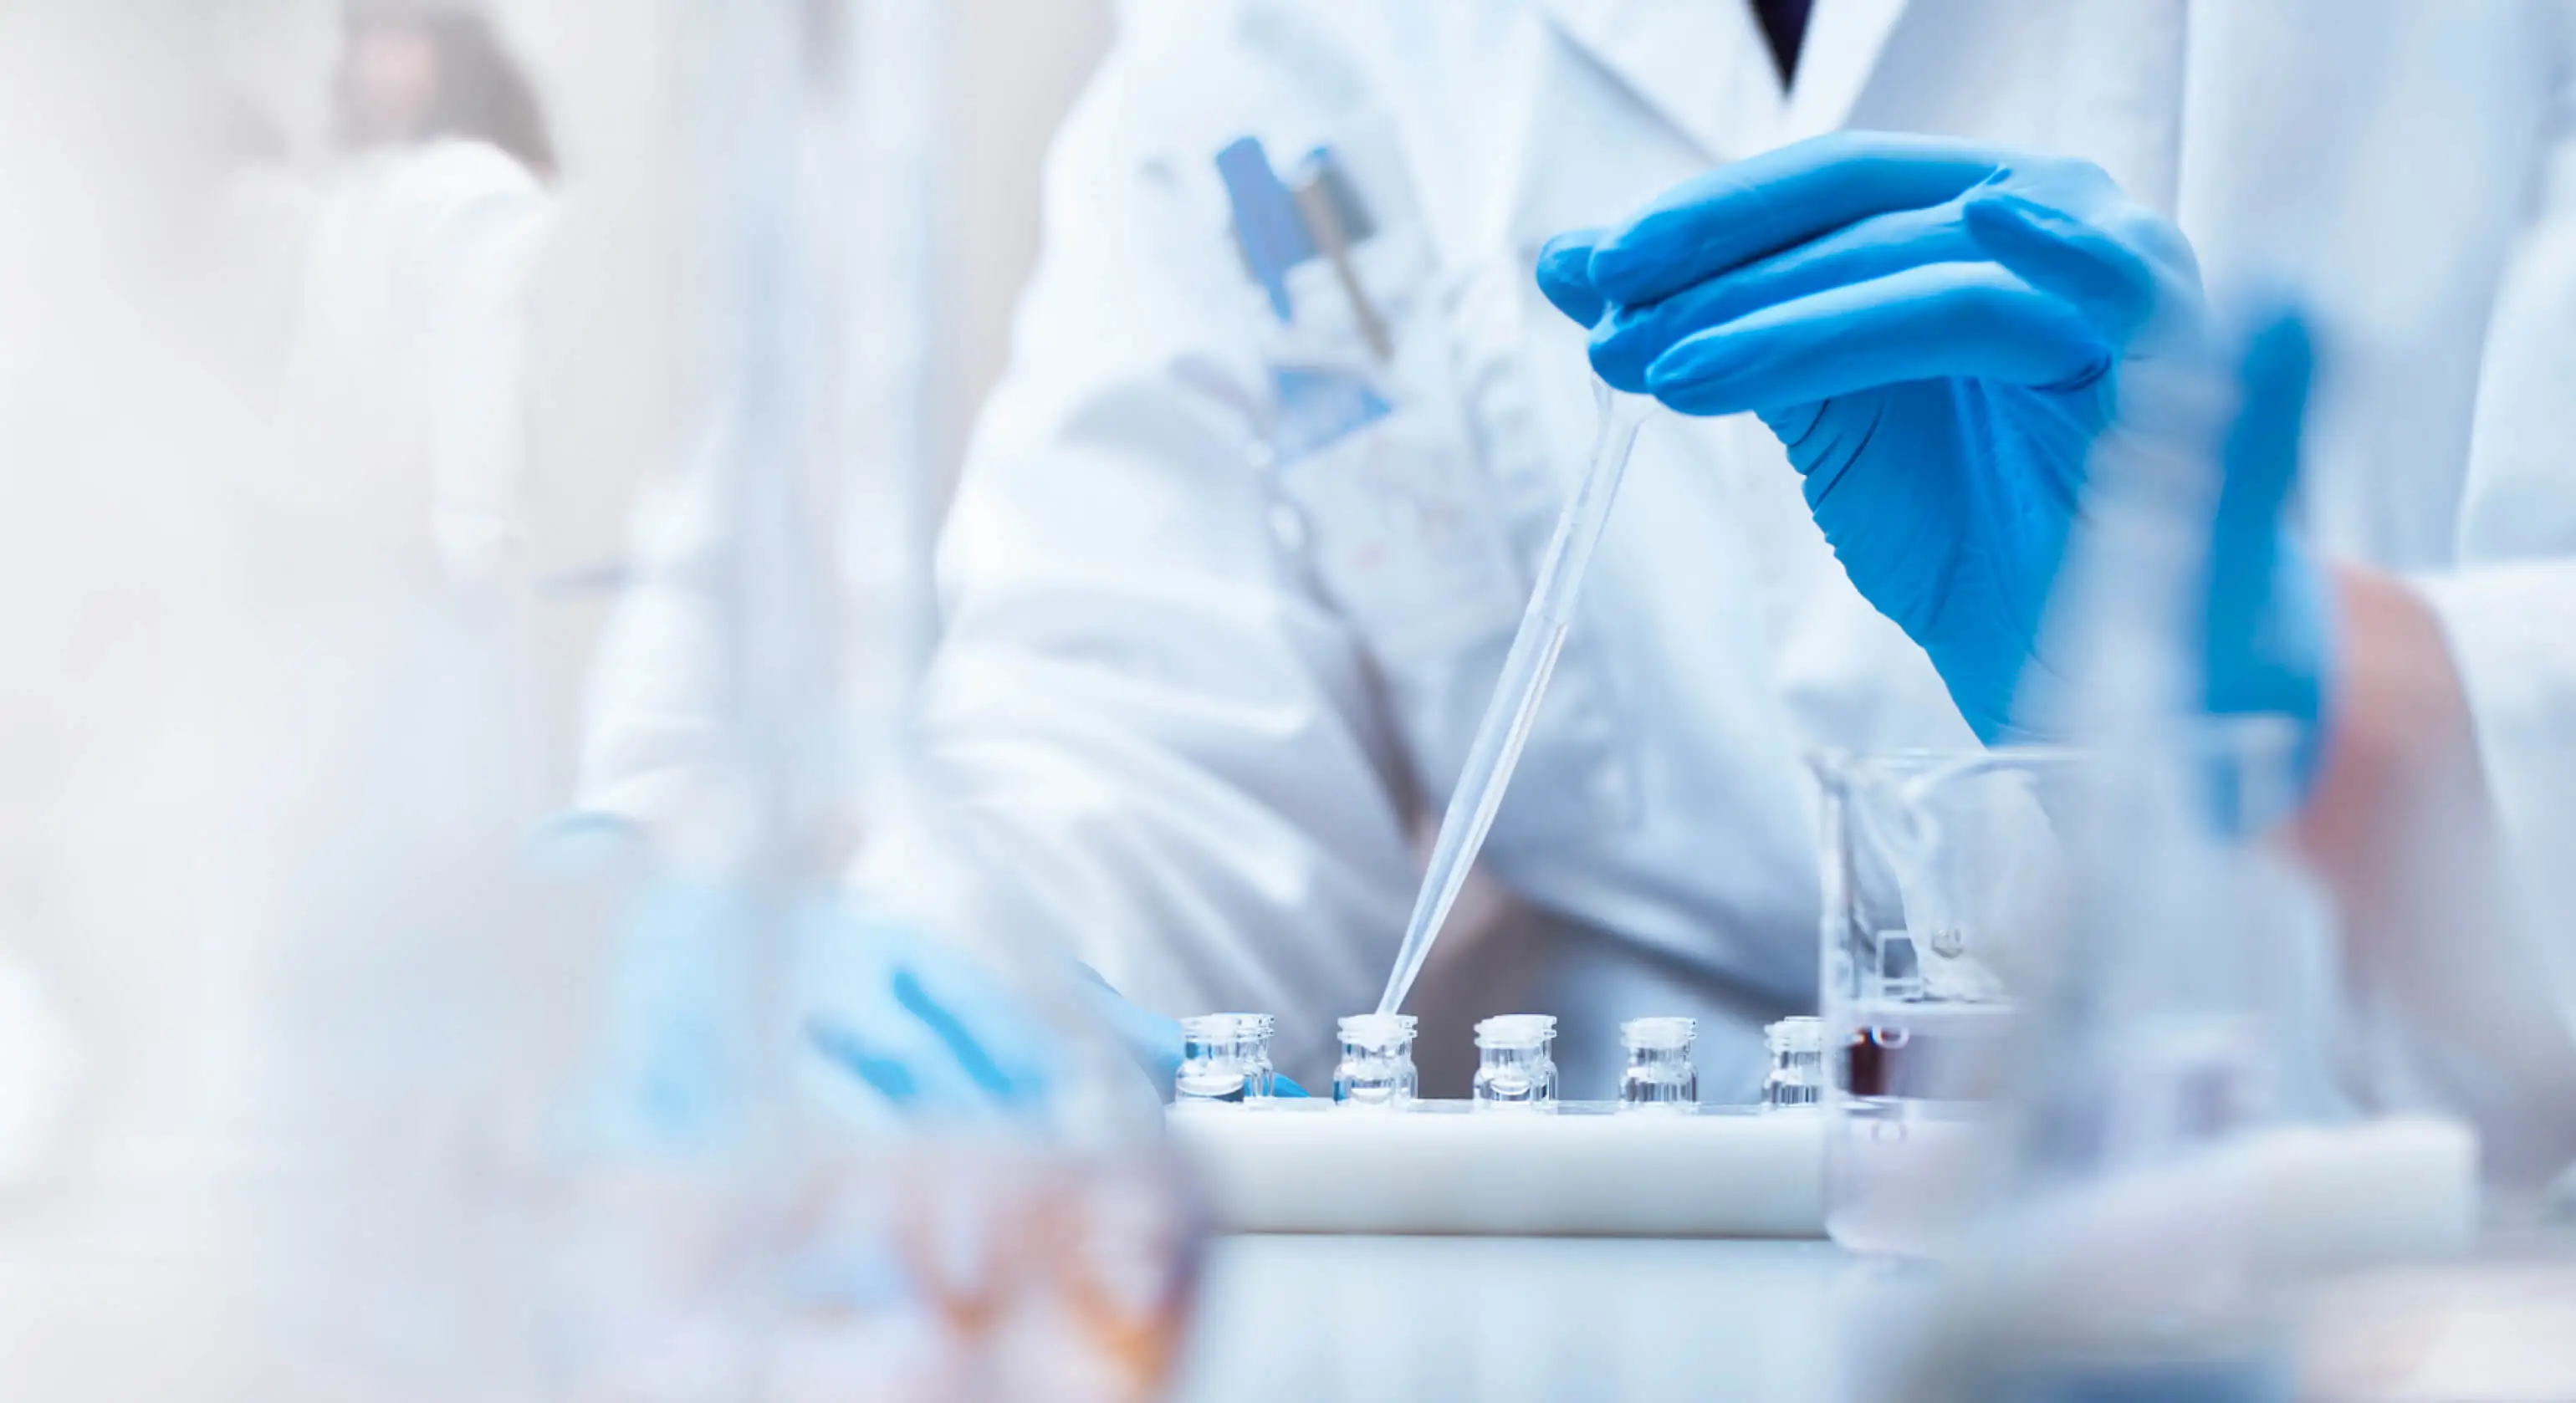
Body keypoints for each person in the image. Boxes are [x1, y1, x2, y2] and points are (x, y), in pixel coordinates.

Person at [580, 0, 2576, 1171]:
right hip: (1617, 1300)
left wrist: (2334, 701)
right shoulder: (1292, 45)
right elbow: (1138, 751)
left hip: (2402, 1244)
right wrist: (898, 985)